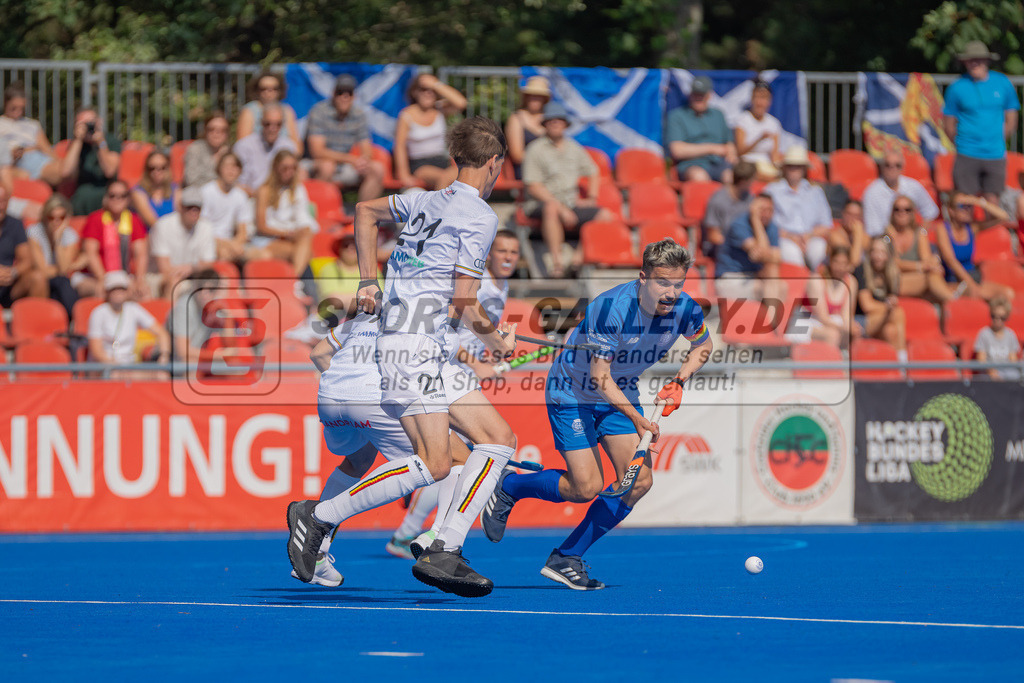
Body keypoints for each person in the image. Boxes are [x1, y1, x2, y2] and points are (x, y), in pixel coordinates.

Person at [286, 116, 518, 598]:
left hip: (421, 346)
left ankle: (445, 547)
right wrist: (496, 340)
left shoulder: (421, 198)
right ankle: (320, 516)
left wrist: (368, 278)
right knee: (434, 463)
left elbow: (365, 210)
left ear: (457, 159)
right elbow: (463, 300)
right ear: (494, 164)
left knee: (497, 439)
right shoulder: (479, 216)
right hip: (413, 349)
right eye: (498, 168)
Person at [481, 239, 712, 590]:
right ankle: (511, 485)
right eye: (663, 283)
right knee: (585, 487)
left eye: (678, 284)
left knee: (638, 482)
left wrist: (679, 380)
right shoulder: (610, 309)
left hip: (620, 389)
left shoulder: (686, 308)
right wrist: (638, 420)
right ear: (643, 278)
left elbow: (703, 345)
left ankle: (567, 557)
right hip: (573, 391)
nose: (671, 293)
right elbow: (599, 377)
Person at [385, 230, 521, 558]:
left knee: (459, 458)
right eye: (501, 250)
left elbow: (471, 333)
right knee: (462, 456)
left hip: (457, 372)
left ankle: (414, 533)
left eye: (513, 252)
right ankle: (425, 532)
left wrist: (490, 351)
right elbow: (446, 326)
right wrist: (479, 359)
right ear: (488, 254)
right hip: (437, 368)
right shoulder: (477, 284)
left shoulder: (503, 288)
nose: (507, 257)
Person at [522, 101, 612, 278]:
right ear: (545, 124)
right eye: (551, 120)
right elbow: (533, 186)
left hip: (569, 203)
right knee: (551, 208)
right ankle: (557, 263)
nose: (555, 123)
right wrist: (560, 207)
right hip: (541, 204)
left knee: (605, 215)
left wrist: (591, 198)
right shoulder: (535, 149)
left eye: (559, 120)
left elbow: (593, 171)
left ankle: (578, 260)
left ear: (565, 124)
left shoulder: (574, 147)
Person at [942, 41, 1021, 203]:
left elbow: (1012, 120)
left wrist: (996, 139)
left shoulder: (1002, 83)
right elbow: (948, 124)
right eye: (970, 59)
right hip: (966, 152)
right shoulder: (957, 87)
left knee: (993, 203)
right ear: (964, 62)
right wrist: (963, 143)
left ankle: (991, 229)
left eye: (978, 59)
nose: (974, 63)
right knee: (965, 204)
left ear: (987, 60)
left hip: (995, 153)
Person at [307, 74, 385, 202]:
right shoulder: (319, 112)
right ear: (333, 94)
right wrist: (351, 159)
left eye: (349, 92)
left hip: (347, 166)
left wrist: (363, 161)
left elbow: (366, 148)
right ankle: (321, 214)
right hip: (319, 164)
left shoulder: (359, 114)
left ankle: (361, 215)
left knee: (377, 169)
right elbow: (317, 152)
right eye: (340, 92)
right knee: (327, 167)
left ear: (354, 96)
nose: (345, 97)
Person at [87, 270, 170, 380]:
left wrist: (163, 356)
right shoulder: (98, 313)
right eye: (114, 289)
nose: (118, 293)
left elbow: (161, 333)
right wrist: (114, 364)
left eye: (122, 289)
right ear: (107, 292)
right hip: (106, 367)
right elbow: (96, 350)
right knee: (116, 376)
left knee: (162, 376)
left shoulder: (133, 309)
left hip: (129, 366)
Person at [935, 192, 1014, 302]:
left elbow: (1003, 217)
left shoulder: (972, 228)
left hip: (973, 277)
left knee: (1007, 293)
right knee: (973, 294)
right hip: (954, 280)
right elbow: (950, 260)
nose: (967, 209)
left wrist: (977, 202)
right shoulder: (942, 228)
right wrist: (971, 284)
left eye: (969, 206)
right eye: (962, 206)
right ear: (951, 211)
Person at [392, 73, 467, 190]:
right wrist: (403, 174)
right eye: (423, 89)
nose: (428, 93)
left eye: (431, 90)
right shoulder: (406, 115)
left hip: (442, 160)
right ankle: (439, 208)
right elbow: (399, 146)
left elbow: (461, 103)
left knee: (466, 174)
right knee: (444, 178)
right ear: (414, 92)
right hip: (420, 164)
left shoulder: (440, 110)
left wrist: (436, 84)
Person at [765, 146, 832, 270]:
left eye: (798, 166)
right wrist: (791, 236)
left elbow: (826, 224)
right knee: (791, 253)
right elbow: (767, 223)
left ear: (804, 169)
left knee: (820, 250)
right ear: (784, 168)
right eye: (791, 166)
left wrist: (808, 235)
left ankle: (820, 285)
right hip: (784, 238)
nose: (794, 170)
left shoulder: (816, 191)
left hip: (811, 237)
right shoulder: (772, 190)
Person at [80, 180, 149, 299]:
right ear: (106, 198)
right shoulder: (95, 219)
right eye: (113, 196)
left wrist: (139, 280)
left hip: (125, 276)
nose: (117, 199)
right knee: (104, 292)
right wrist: (105, 280)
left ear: (128, 199)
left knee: (142, 293)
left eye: (122, 196)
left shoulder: (134, 220)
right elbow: (91, 254)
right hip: (95, 276)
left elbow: (141, 254)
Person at [252, 150, 317, 277]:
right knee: (305, 253)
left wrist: (300, 231)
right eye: (285, 168)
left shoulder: (297, 189)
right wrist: (288, 233)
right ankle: (295, 281)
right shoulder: (264, 190)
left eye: (293, 168)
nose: (289, 172)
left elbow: (303, 218)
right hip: (267, 239)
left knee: (305, 238)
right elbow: (261, 226)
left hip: (288, 237)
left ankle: (293, 281)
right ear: (276, 168)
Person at [149, 185, 217, 298]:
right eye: (189, 207)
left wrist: (191, 268)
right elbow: (164, 268)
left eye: (197, 208)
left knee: (220, 281)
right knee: (175, 282)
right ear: (180, 207)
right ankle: (171, 315)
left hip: (192, 276)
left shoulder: (206, 227)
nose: (193, 211)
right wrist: (188, 269)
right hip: (160, 277)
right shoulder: (163, 225)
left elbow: (208, 264)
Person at [666, 75, 736, 183]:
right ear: (690, 94)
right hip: (691, 164)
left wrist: (732, 153)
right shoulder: (677, 116)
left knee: (732, 177)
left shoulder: (718, 115)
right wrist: (711, 148)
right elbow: (677, 150)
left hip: (718, 163)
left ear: (709, 95)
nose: (698, 98)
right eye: (695, 94)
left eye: (701, 95)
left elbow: (729, 143)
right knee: (699, 177)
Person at [26, 194, 87, 316]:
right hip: (38, 283)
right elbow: (43, 270)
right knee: (61, 283)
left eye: (61, 217)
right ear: (45, 217)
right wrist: (72, 266)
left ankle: (75, 321)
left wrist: (58, 239)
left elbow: (63, 270)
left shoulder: (69, 235)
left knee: (63, 283)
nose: (56, 221)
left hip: (59, 283)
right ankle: (75, 318)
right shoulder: (34, 232)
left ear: (67, 219)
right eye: (51, 217)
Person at [788, 246, 860, 348]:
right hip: (805, 323)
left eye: (844, 263)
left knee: (853, 334)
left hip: (828, 323)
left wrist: (851, 328)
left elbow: (846, 315)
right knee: (832, 335)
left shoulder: (851, 282)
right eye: (836, 262)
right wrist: (845, 328)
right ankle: (831, 362)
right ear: (830, 261)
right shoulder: (817, 280)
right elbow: (822, 317)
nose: (840, 267)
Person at [715, 193, 782, 300]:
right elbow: (764, 253)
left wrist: (766, 256)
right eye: (762, 210)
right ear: (753, 210)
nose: (766, 214)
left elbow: (777, 258)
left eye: (770, 210)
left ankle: (774, 317)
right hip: (731, 278)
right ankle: (772, 317)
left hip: (753, 277)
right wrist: (756, 220)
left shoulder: (772, 227)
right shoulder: (739, 225)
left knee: (782, 286)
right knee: (766, 288)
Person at [886, 195, 953, 302]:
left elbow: (925, 258)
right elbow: (894, 263)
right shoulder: (887, 235)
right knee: (931, 278)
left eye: (907, 209)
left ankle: (952, 304)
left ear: (912, 213)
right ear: (892, 212)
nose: (902, 212)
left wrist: (933, 264)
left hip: (916, 278)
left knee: (934, 280)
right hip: (894, 279)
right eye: (897, 209)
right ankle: (954, 302)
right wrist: (920, 266)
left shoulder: (919, 233)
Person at [861, 148, 938, 237]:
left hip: (912, 240)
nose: (892, 168)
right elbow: (873, 230)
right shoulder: (871, 193)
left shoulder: (914, 186)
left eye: (897, 165)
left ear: (902, 168)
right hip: (885, 241)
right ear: (881, 167)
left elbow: (930, 212)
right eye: (887, 165)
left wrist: (920, 235)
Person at [854, 236, 908, 361]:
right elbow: (867, 305)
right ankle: (904, 362)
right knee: (897, 312)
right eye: (874, 251)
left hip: (882, 321)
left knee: (890, 331)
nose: (877, 256)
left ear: (888, 255)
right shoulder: (861, 270)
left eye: (882, 252)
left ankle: (894, 368)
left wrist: (889, 307)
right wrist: (888, 307)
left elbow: (892, 300)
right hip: (861, 321)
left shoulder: (892, 274)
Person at [61, 107, 122, 216]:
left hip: (106, 193)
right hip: (82, 196)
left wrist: (100, 142)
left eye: (91, 122)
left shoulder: (110, 141)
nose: (89, 126)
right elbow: (66, 172)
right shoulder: (76, 144)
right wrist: (78, 140)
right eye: (83, 124)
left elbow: (109, 171)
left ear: (100, 121)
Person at [0, 82, 63, 187]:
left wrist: (59, 161)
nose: (18, 112)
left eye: (22, 109)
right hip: (12, 162)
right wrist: (12, 154)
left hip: (37, 158)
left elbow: (46, 148)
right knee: (63, 172)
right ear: (6, 102)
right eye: (14, 108)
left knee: (66, 168)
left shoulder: (32, 124)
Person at [314, 229, 381, 318]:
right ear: (339, 248)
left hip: (364, 318)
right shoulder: (329, 268)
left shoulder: (371, 269)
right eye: (346, 245)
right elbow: (335, 301)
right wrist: (363, 299)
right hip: (332, 322)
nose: (350, 248)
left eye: (354, 245)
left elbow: (379, 297)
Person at [233, 103, 297, 196]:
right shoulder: (244, 146)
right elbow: (236, 182)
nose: (272, 128)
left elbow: (293, 179)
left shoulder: (289, 147)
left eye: (278, 124)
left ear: (282, 125)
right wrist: (259, 197)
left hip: (280, 199)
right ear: (261, 123)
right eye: (268, 124)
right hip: (249, 198)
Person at [199, 152, 252, 262]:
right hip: (209, 241)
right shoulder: (206, 192)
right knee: (224, 254)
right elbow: (203, 229)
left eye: (234, 167)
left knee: (261, 255)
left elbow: (243, 230)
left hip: (231, 242)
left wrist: (235, 244)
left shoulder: (241, 195)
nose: (231, 171)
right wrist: (231, 245)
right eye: (227, 166)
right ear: (219, 169)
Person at [236, 70, 302, 155]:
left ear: (280, 90)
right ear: (257, 90)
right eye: (264, 89)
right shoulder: (249, 111)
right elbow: (242, 144)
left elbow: (297, 146)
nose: (269, 92)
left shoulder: (287, 110)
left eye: (274, 89)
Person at [0, 185, 45, 307]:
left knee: (37, 278)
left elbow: (26, 260)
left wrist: (13, 272)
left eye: (4, 201)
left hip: (8, 285)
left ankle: (39, 322)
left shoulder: (15, 224)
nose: (1, 206)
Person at [702, 159, 756, 260]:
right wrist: (737, 244)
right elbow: (713, 235)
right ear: (744, 181)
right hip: (722, 249)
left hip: (743, 247)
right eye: (752, 180)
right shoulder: (718, 200)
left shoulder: (750, 198)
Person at [734, 78, 782, 180]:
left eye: (764, 98)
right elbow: (740, 151)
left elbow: (775, 156)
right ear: (752, 99)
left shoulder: (774, 124)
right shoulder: (742, 120)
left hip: (766, 165)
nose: (760, 103)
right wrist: (759, 139)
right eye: (758, 98)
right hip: (747, 165)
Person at [504, 75, 550, 180]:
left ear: (544, 99)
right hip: (526, 170)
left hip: (549, 169)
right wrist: (546, 161)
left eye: (539, 96)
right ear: (526, 97)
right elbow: (517, 155)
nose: (534, 99)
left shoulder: (550, 118)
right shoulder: (516, 118)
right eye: (531, 95)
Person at [973, 296, 1020, 380]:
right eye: (994, 316)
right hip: (988, 373)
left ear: (1007, 318)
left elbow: (1013, 361)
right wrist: (991, 372)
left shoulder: (1010, 335)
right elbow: (981, 360)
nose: (997, 320)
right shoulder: (984, 334)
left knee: (1015, 375)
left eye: (1002, 318)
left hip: (1007, 373)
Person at [131, 150, 179, 229]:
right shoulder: (138, 192)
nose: (157, 172)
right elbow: (153, 223)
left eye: (162, 168)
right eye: (152, 168)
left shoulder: (176, 190)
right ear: (147, 170)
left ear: (168, 168)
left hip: (171, 236)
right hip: (149, 237)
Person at [183, 112, 231, 188]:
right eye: (212, 129)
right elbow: (191, 180)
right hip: (199, 194)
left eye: (222, 130)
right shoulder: (195, 149)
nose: (216, 133)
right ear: (205, 131)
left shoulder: (230, 152)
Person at [828, 199, 866, 267]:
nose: (852, 219)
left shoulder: (864, 236)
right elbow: (854, 262)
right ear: (843, 214)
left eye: (856, 216)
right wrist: (858, 235)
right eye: (849, 214)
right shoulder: (835, 236)